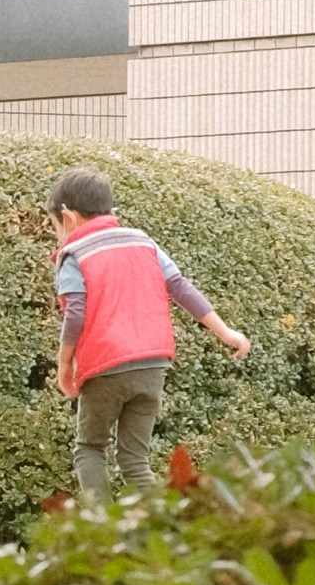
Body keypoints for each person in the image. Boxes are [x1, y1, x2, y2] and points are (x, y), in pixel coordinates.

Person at [49, 165, 251, 505]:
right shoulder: (143, 241)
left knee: (90, 447)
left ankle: (105, 532)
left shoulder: (74, 255)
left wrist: (64, 362)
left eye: (54, 226)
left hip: (105, 366)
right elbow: (180, 287)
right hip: (152, 365)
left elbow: (76, 312)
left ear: (67, 217)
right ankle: (162, 531)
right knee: (135, 460)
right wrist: (225, 331)